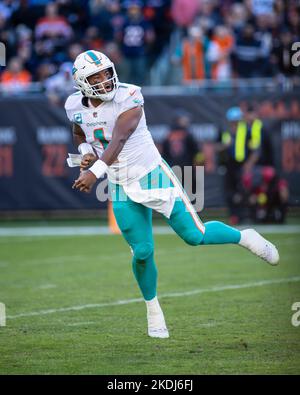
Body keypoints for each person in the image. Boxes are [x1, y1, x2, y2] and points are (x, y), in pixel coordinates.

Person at [65, 50, 279, 339]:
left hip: (152, 175)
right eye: (96, 76)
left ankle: (245, 237)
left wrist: (94, 172)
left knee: (195, 235)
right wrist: (85, 154)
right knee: (142, 252)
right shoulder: (73, 105)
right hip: (118, 183)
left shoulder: (130, 96)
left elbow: (118, 140)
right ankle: (154, 312)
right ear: (81, 82)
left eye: (106, 72)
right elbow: (81, 131)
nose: (105, 80)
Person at [217, 106, 261, 225]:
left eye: (237, 120)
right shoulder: (224, 131)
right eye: (233, 121)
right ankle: (234, 216)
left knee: (244, 191)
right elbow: (216, 147)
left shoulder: (247, 131)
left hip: (243, 165)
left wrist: (249, 164)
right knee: (229, 192)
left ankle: (247, 216)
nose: (235, 123)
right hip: (229, 166)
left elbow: (255, 150)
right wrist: (224, 146)